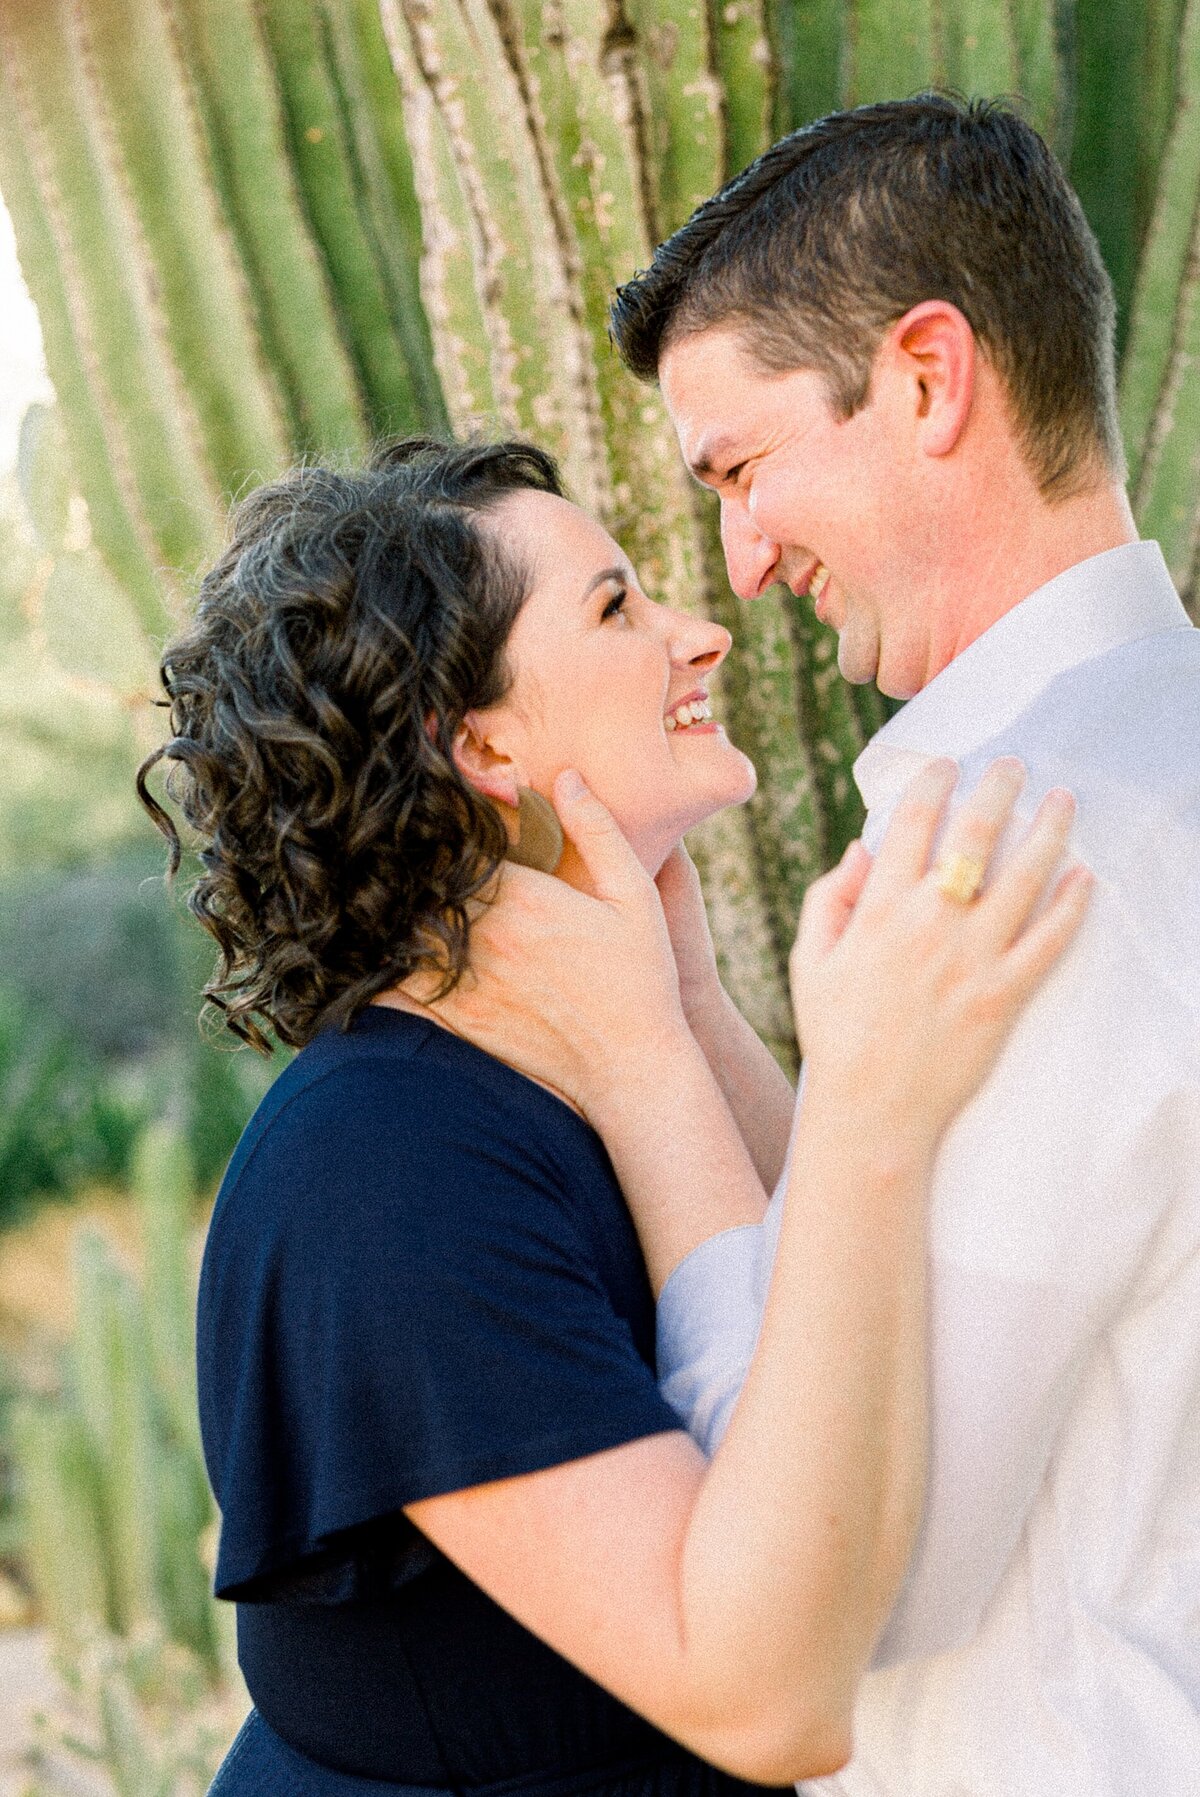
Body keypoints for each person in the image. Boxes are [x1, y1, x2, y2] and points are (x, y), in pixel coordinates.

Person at [437, 96, 1200, 1797]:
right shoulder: (1162, 757)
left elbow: (861, 1575)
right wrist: (713, 1014)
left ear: (929, 378)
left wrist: (647, 1057)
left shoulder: (1023, 850)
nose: (741, 559)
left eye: (742, 468)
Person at [137, 438, 1085, 1797]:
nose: (700, 635)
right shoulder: (387, 1171)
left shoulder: (574, 1059)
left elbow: (823, 1344)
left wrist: (685, 999)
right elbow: (769, 1696)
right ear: (480, 742)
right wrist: (812, 1075)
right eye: (615, 607)